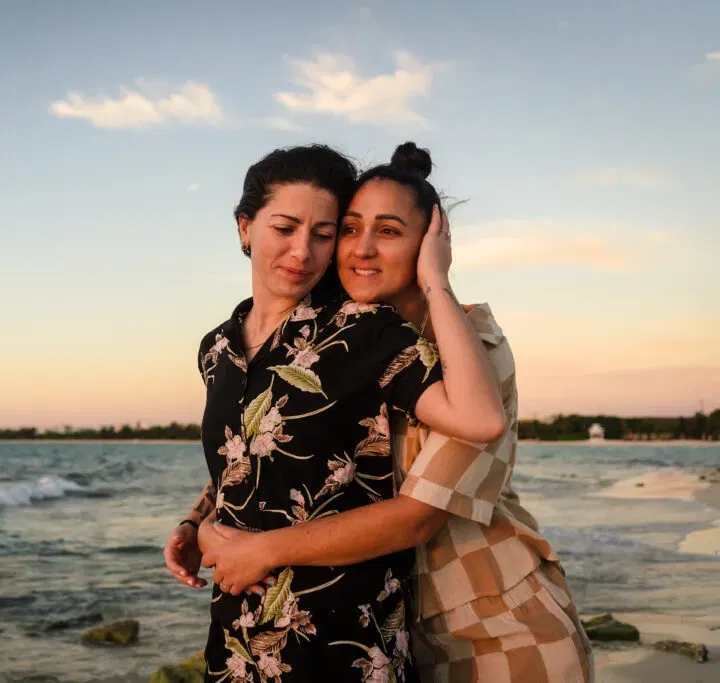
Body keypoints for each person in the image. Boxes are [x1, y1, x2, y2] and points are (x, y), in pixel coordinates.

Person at [191, 143, 593, 682]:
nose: (360, 250)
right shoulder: (315, 341)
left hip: (492, 623)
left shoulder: (460, 348)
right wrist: (198, 521)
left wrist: (436, 281)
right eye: (350, 230)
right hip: (394, 626)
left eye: (388, 231)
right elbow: (261, 446)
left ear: (429, 243)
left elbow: (419, 516)